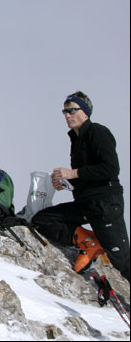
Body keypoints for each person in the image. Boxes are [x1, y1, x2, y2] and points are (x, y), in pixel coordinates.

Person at [32, 91, 129, 282]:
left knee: (122, 261)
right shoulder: (76, 140)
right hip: (85, 203)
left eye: (72, 111)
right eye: (65, 112)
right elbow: (87, 174)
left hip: (105, 204)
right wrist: (65, 182)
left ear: (85, 112)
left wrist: (73, 173)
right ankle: (90, 242)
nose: (67, 115)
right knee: (43, 220)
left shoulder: (98, 132)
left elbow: (110, 168)